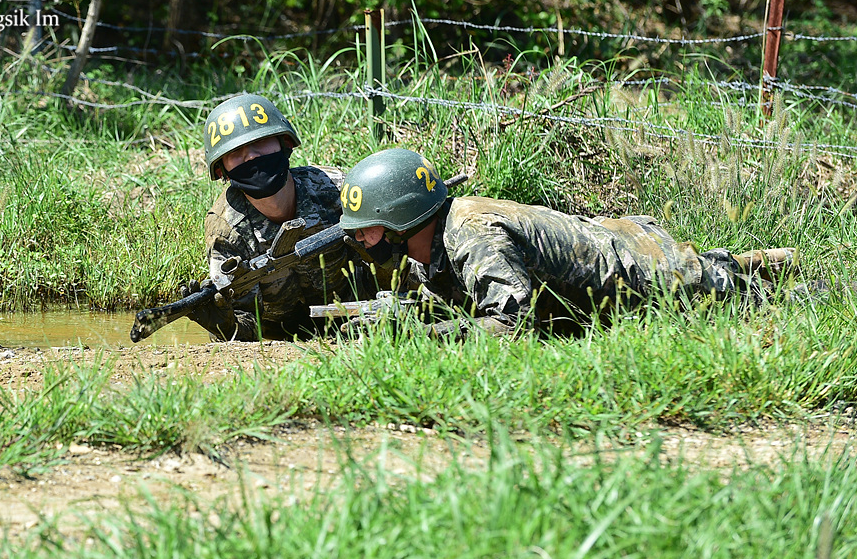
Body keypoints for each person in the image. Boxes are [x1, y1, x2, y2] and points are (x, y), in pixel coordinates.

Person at [338, 147, 798, 337]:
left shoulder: (470, 232)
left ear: (401, 217)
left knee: (744, 295)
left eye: (366, 227)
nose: (360, 240)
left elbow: (510, 323)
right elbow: (460, 298)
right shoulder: (433, 241)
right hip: (620, 245)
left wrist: (424, 334)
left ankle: (797, 281)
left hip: (644, 275)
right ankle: (753, 263)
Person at [182, 93, 372, 341]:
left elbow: (390, 265)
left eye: (259, 142)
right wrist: (226, 326)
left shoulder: (335, 189)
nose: (251, 156)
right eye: (236, 152)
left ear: (284, 143)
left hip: (355, 322)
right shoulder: (225, 228)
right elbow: (248, 324)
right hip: (279, 337)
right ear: (222, 170)